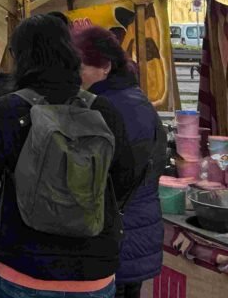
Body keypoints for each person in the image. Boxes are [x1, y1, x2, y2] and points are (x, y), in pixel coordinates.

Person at [0, 15, 136, 298]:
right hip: (93, 267)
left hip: (24, 265)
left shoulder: (8, 110)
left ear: (21, 57)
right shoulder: (103, 110)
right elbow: (127, 177)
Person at [74, 25, 163, 298]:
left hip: (122, 233)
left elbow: (118, 175)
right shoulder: (127, 97)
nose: (75, 74)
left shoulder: (114, 106)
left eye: (81, 67)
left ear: (105, 67)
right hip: (130, 229)